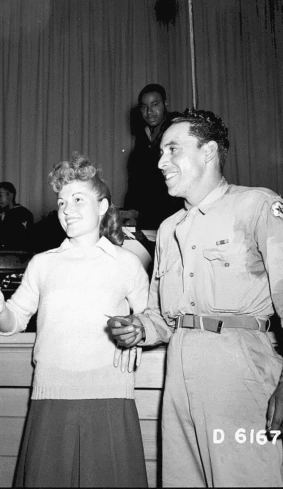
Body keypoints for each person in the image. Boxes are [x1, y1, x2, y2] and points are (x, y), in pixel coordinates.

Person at [109, 109, 283, 487]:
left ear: (208, 152)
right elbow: (162, 316)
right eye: (159, 152)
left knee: (248, 478)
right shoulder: (169, 229)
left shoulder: (257, 206)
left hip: (241, 374)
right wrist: (139, 328)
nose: (160, 161)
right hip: (180, 376)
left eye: (173, 149)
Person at [0, 156, 149, 487]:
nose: (66, 209)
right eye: (61, 202)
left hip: (110, 394)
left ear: (103, 207)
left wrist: (137, 331)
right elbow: (12, 321)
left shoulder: (127, 263)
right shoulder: (42, 264)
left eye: (78, 199)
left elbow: (152, 320)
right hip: (50, 395)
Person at [124, 83, 183, 230]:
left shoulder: (178, 126)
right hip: (149, 213)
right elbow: (139, 179)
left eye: (155, 104)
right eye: (144, 107)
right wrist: (132, 211)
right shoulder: (143, 135)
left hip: (174, 210)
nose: (149, 112)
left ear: (165, 104)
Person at [0, 181, 34, 251]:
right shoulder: (3, 215)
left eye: (0, 195)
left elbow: (23, 241)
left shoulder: (23, 213)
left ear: (11, 195)